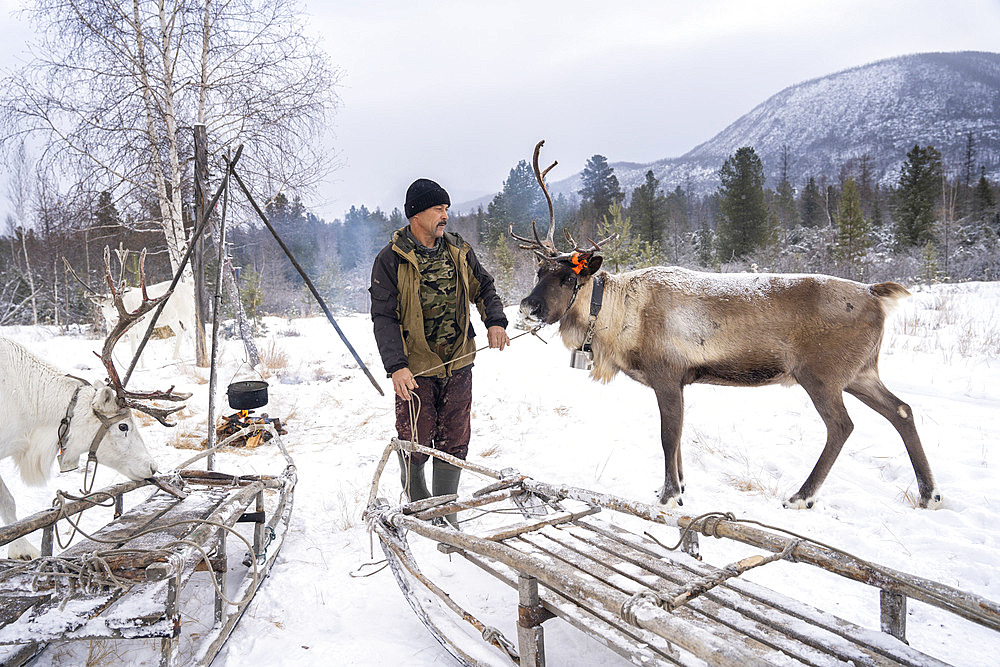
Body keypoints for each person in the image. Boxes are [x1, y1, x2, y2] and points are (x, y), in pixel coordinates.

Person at [369, 178, 510, 527]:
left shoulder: (458, 250)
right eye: (438, 209)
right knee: (415, 438)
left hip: (458, 361)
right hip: (415, 369)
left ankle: (446, 512)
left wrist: (495, 320)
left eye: (446, 208)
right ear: (416, 214)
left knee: (455, 436)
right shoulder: (391, 259)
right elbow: (383, 317)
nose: (445, 215)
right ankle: (420, 512)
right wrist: (396, 366)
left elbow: (484, 286)